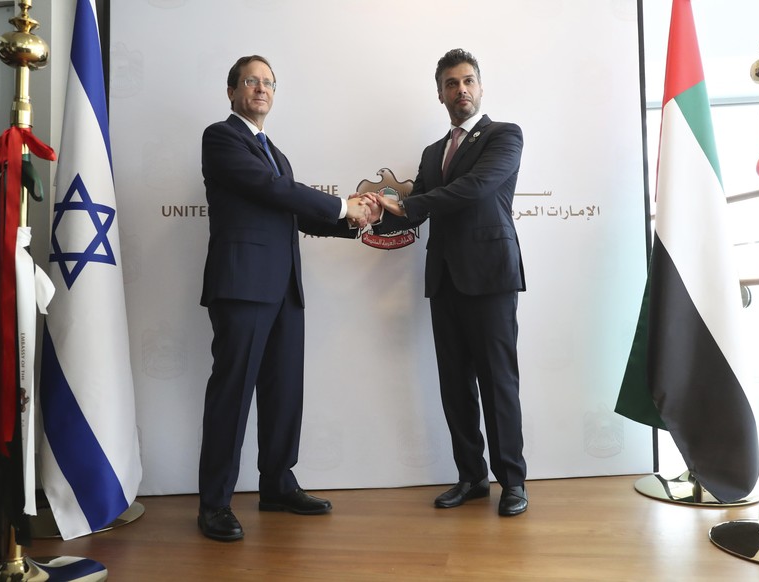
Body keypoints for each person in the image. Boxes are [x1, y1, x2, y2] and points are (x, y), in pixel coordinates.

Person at [198, 54, 375, 541]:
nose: (261, 89)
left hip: (284, 290)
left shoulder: (276, 151)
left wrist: (353, 221)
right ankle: (214, 504)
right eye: (251, 81)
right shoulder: (222, 137)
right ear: (232, 91)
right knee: (232, 396)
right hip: (241, 287)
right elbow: (274, 191)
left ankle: (276, 485)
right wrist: (342, 203)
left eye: (269, 83)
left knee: (283, 394)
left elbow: (291, 211)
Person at [375, 48, 528, 516]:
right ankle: (471, 477)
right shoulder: (431, 152)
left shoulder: (504, 136)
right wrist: (367, 215)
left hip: (490, 276)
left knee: (497, 382)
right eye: (450, 83)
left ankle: (513, 483)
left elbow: (475, 188)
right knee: (454, 385)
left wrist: (409, 205)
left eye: (467, 81)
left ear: (479, 88)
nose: (460, 90)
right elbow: (415, 206)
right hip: (443, 278)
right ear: (440, 93)